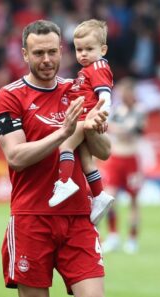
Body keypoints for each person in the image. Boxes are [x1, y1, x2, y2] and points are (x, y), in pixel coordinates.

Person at [0, 20, 110, 297]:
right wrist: (64, 132)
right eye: (38, 52)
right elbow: (16, 156)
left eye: (52, 51)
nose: (46, 59)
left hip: (77, 217)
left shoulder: (77, 88)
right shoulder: (10, 96)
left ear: (62, 51)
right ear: (25, 54)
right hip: (32, 218)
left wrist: (94, 124)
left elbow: (103, 150)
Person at [48, 19, 114, 225]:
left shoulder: (99, 66)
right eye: (79, 49)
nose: (83, 54)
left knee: (65, 144)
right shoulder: (87, 70)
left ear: (103, 49)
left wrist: (101, 115)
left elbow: (105, 95)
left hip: (86, 118)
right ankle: (99, 195)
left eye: (89, 49)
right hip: (84, 117)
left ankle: (65, 182)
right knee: (85, 158)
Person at [100, 78, 148, 254]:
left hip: (131, 159)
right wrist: (119, 128)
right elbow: (106, 126)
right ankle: (113, 235)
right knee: (110, 198)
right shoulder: (115, 110)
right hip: (115, 158)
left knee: (134, 200)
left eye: (126, 93)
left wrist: (117, 128)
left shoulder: (139, 110)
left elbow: (136, 130)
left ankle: (132, 238)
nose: (123, 97)